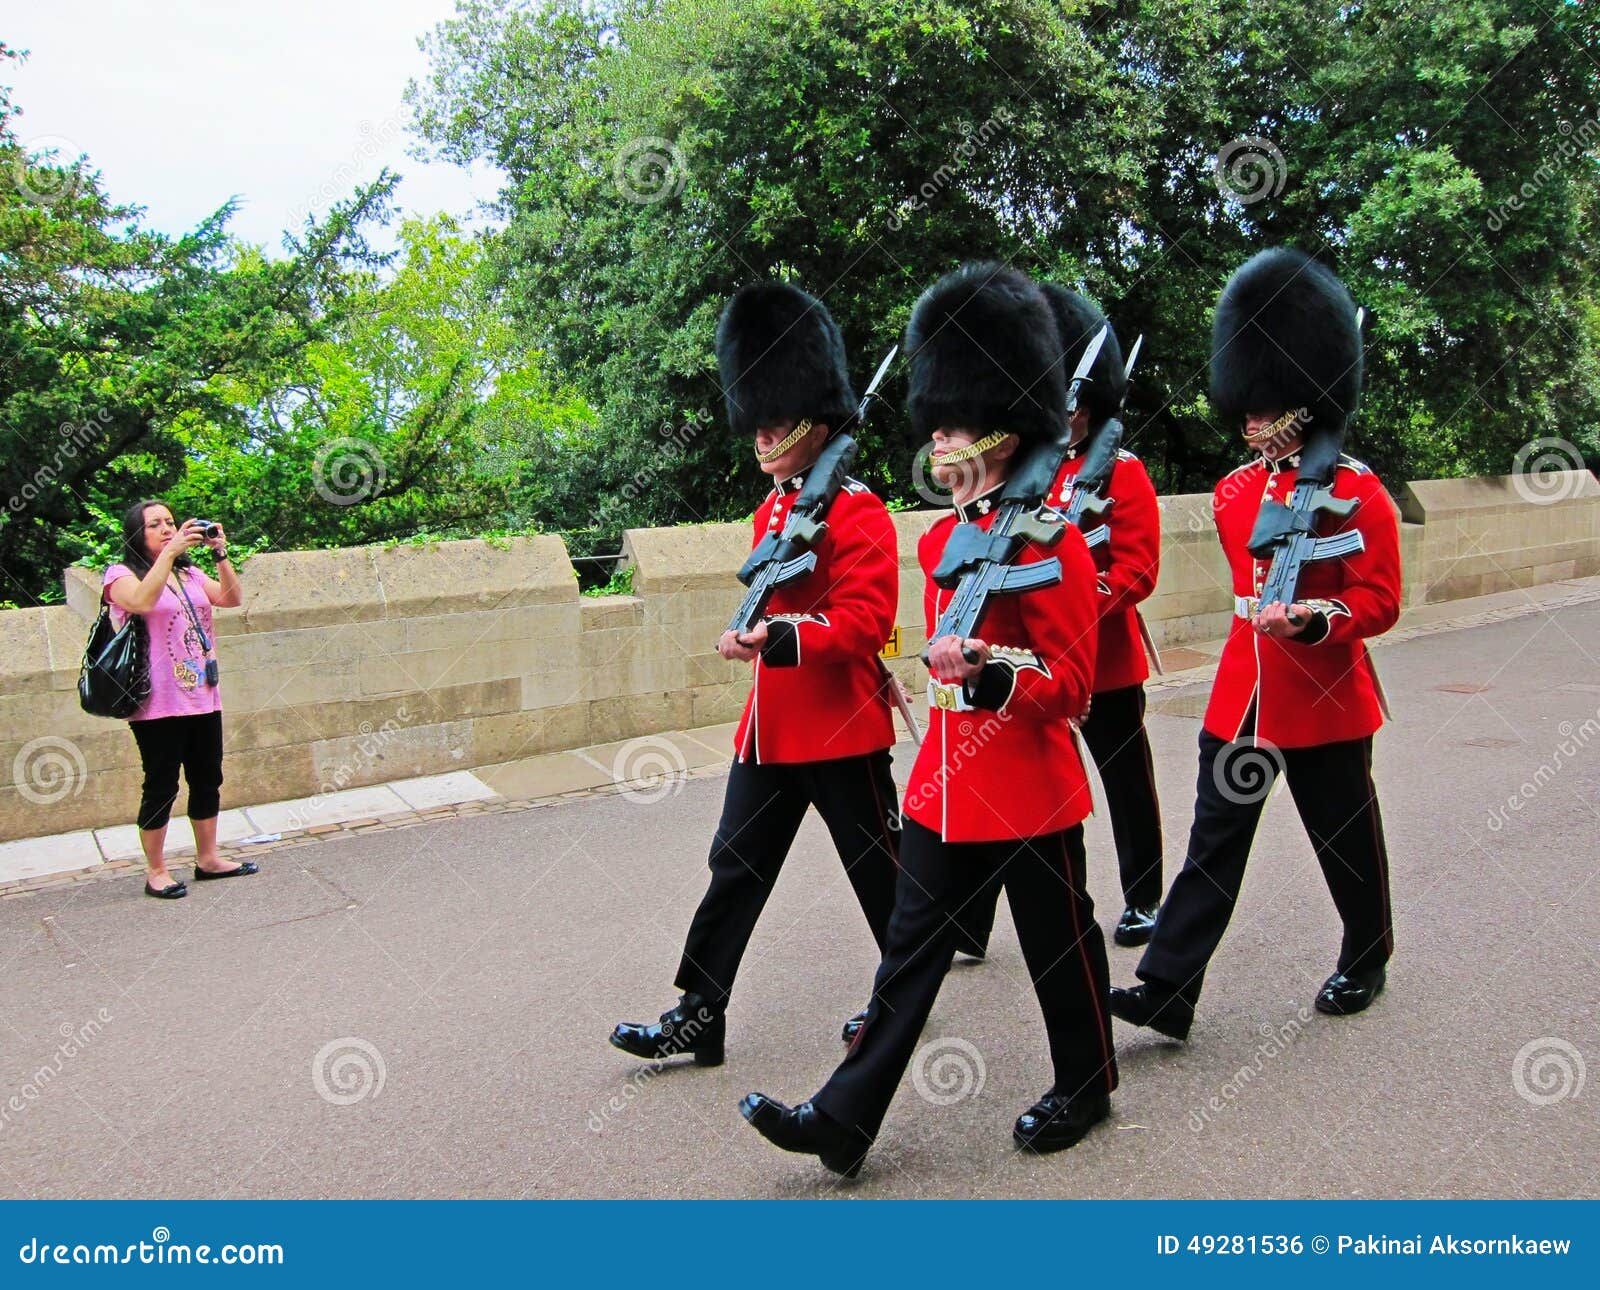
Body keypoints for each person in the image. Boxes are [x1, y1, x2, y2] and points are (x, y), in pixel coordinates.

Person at [739, 264, 1117, 1176]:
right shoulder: (945, 539)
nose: (937, 439)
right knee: (909, 959)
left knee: (1059, 943)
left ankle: (1089, 1082)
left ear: (997, 427)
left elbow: (1072, 685)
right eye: (937, 424)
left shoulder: (1054, 541)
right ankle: (844, 1118)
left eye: (950, 425)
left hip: (1027, 781)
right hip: (947, 784)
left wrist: (992, 677)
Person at [610, 281, 901, 1068]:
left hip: (840, 728)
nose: (764, 431)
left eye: (778, 419)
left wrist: (780, 638)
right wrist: (755, 637)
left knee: (879, 877)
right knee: (733, 869)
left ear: (817, 421)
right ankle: (700, 1011)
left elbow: (869, 625)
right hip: (772, 734)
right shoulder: (772, 512)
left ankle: (904, 997)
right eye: (760, 417)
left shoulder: (860, 513)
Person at [1110, 247, 1398, 1041]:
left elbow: (1379, 600)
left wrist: (1315, 620)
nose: (1247, 418)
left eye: (1263, 405)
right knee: (1215, 843)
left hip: (1326, 695)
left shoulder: (1359, 492)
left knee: (1342, 837)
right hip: (1245, 691)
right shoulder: (1239, 494)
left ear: (1302, 401)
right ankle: (1168, 986)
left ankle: (1367, 952)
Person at [955, 285, 1165, 955]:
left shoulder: (1121, 473)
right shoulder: (1031, 474)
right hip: (1030, 661)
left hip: (1103, 661)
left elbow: (1137, 570)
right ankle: (976, 917)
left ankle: (1145, 897)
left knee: (1125, 781)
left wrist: (1074, 598)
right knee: (1011, 779)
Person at [103, 500, 255, 899]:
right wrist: (169, 555)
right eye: (156, 525)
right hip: (155, 702)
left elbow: (232, 598)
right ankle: (156, 870)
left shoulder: (189, 573)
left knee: (208, 778)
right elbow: (140, 602)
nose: (168, 529)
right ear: (139, 534)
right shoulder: (120, 575)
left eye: (171, 522)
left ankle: (208, 858)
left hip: (203, 695)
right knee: (161, 785)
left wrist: (220, 554)